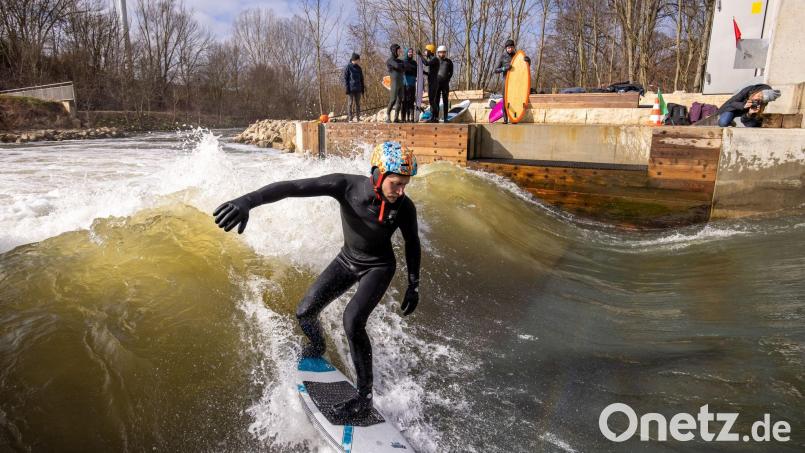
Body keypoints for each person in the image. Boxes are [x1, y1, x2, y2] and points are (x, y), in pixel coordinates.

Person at [212, 141, 422, 419]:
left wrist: (413, 284)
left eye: (405, 185)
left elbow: (412, 243)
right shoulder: (345, 186)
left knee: (352, 321)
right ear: (378, 174)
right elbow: (292, 188)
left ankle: (364, 399)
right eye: (396, 184)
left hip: (379, 267)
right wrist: (247, 201)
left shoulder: (404, 207)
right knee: (305, 312)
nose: (401, 191)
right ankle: (318, 346)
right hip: (347, 260)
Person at [493, 39, 530, 124]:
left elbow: (525, 67)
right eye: (508, 48)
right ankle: (505, 120)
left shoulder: (518, 56)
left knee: (516, 99)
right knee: (505, 100)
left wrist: (528, 61)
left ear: (514, 47)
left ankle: (514, 118)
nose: (510, 49)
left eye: (511, 47)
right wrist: (504, 68)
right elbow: (495, 70)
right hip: (506, 81)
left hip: (516, 82)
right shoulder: (503, 57)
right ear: (506, 48)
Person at [432, 45, 453, 123]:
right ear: (438, 53)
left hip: (445, 84)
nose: (442, 54)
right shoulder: (435, 61)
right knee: (436, 100)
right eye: (441, 52)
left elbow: (451, 72)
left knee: (445, 101)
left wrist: (447, 79)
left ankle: (445, 118)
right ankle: (436, 117)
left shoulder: (449, 62)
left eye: (444, 52)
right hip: (437, 84)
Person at [418, 44, 439, 121]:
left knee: (432, 101)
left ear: (430, 51)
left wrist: (420, 55)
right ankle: (434, 117)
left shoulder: (435, 59)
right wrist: (423, 72)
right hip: (431, 82)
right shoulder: (432, 60)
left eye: (426, 51)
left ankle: (435, 117)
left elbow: (426, 63)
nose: (425, 52)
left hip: (434, 83)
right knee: (431, 100)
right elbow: (431, 73)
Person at [386, 44, 405, 123]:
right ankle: (388, 116)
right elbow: (397, 66)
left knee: (400, 100)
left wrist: (401, 65)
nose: (399, 52)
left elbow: (405, 66)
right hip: (394, 83)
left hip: (401, 82)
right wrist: (401, 65)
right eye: (398, 50)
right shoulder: (390, 60)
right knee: (393, 100)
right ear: (394, 51)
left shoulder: (400, 60)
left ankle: (396, 117)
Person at [344, 53, 365, 122]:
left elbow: (362, 79)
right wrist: (347, 88)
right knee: (350, 103)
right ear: (355, 59)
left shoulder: (359, 68)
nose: (359, 61)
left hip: (358, 88)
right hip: (351, 88)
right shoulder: (348, 67)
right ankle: (350, 118)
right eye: (358, 59)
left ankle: (358, 117)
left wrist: (362, 88)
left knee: (358, 104)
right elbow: (346, 78)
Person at [402, 48, 418, 122]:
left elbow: (419, 71)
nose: (411, 53)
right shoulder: (403, 62)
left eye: (412, 52)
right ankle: (404, 118)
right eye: (409, 52)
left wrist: (427, 73)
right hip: (405, 84)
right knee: (405, 101)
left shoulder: (414, 63)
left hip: (413, 84)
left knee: (411, 101)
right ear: (406, 53)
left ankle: (411, 118)